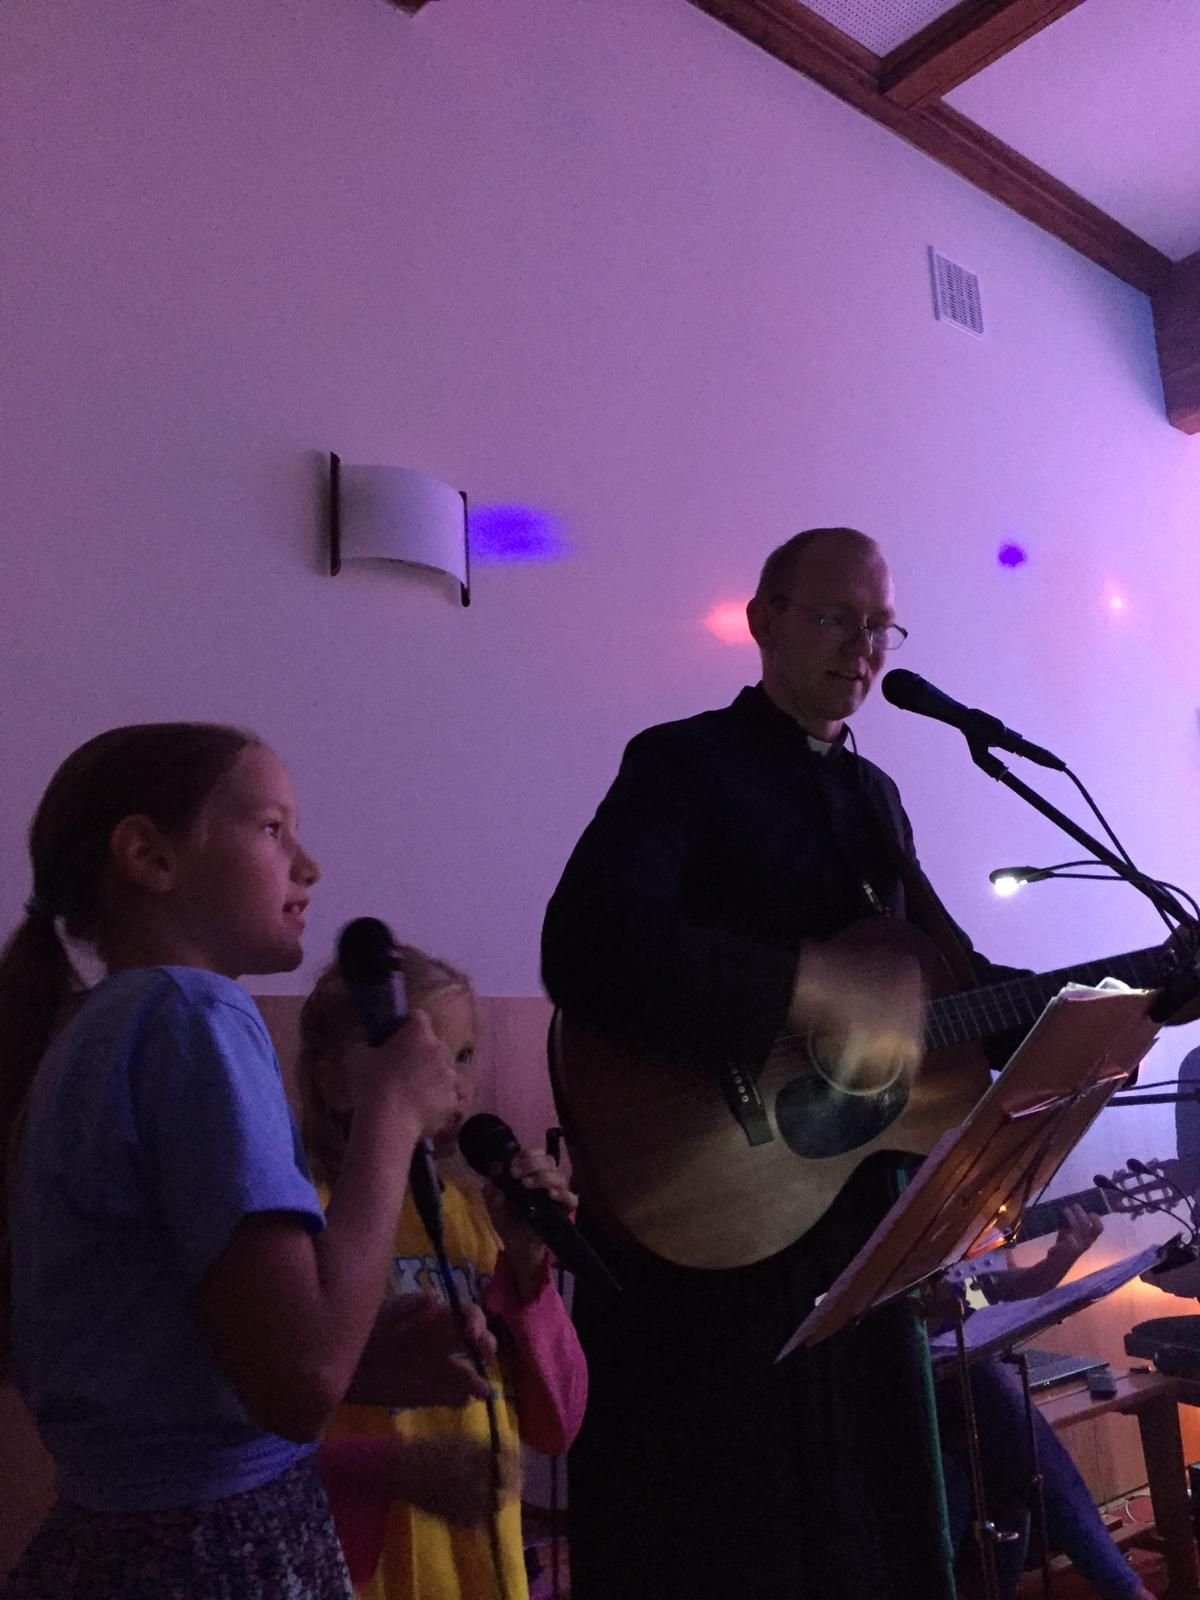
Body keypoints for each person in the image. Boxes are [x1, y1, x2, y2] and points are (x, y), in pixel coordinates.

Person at [542, 527, 1028, 1600]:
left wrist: (1125, 991)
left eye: (882, 626)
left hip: (851, 1237)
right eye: (837, 618)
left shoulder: (874, 797)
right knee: (732, 1545)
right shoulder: (683, 764)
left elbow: (950, 982)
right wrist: (801, 988)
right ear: (764, 621)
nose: (865, 648)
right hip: (710, 1225)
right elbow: (588, 944)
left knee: (875, 1537)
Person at [0, 723, 484, 1600]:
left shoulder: (91, 1033)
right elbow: (301, 1383)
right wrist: (389, 1111)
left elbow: (175, 1355)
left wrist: (363, 1357)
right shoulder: (196, 1016)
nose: (309, 866)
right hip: (215, 1551)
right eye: (271, 828)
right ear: (150, 855)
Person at [298, 941, 587, 1599]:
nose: (455, 1083)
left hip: (478, 1564)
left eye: (463, 1056)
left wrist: (528, 1266)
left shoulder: (477, 1217)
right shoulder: (310, 1216)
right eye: (426, 1058)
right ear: (337, 1082)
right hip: (370, 1567)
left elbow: (558, 1423)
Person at [941, 1204, 1156, 1600]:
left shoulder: (981, 1204)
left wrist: (1057, 1263)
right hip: (898, 1370)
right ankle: (1125, 1589)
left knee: (1004, 1459)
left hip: (962, 1373)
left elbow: (980, 1293)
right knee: (996, 1406)